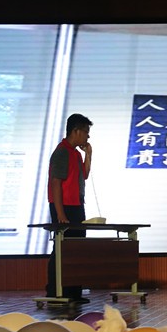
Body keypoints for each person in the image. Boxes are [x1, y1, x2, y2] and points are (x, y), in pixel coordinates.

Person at [45, 113, 93, 300]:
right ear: (76, 131)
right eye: (86, 132)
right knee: (62, 249)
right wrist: (60, 213)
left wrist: (88, 154)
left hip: (77, 205)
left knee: (77, 248)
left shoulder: (75, 153)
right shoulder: (62, 152)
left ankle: (74, 292)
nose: (88, 136)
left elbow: (84, 175)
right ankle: (55, 291)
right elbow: (56, 183)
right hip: (64, 207)